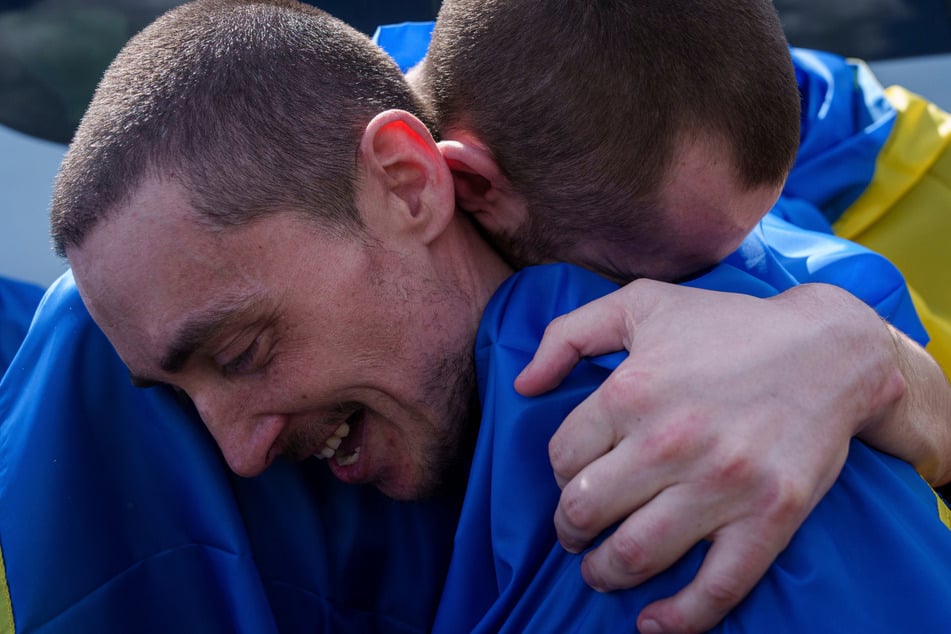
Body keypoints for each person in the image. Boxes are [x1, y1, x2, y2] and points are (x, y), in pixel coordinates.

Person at [33, 1, 951, 632]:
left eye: (706, 279)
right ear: (430, 182)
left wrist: (861, 351)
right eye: (238, 355)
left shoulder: (719, 221)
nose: (692, 306)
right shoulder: (135, 310)